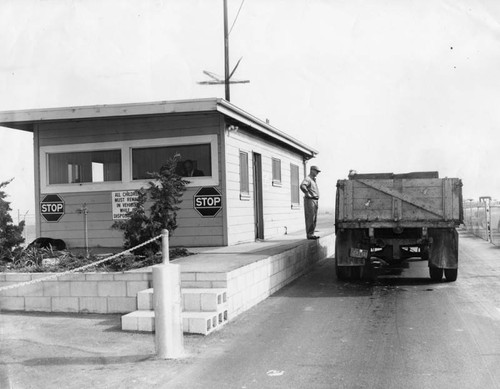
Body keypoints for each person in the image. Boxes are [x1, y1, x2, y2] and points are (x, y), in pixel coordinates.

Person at [300, 165, 321, 239]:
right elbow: (302, 186)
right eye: (316, 171)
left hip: (314, 200)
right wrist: (307, 193)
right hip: (310, 200)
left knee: (314, 217)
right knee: (310, 217)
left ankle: (312, 233)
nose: (317, 173)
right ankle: (310, 234)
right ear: (312, 170)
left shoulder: (313, 180)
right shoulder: (308, 179)